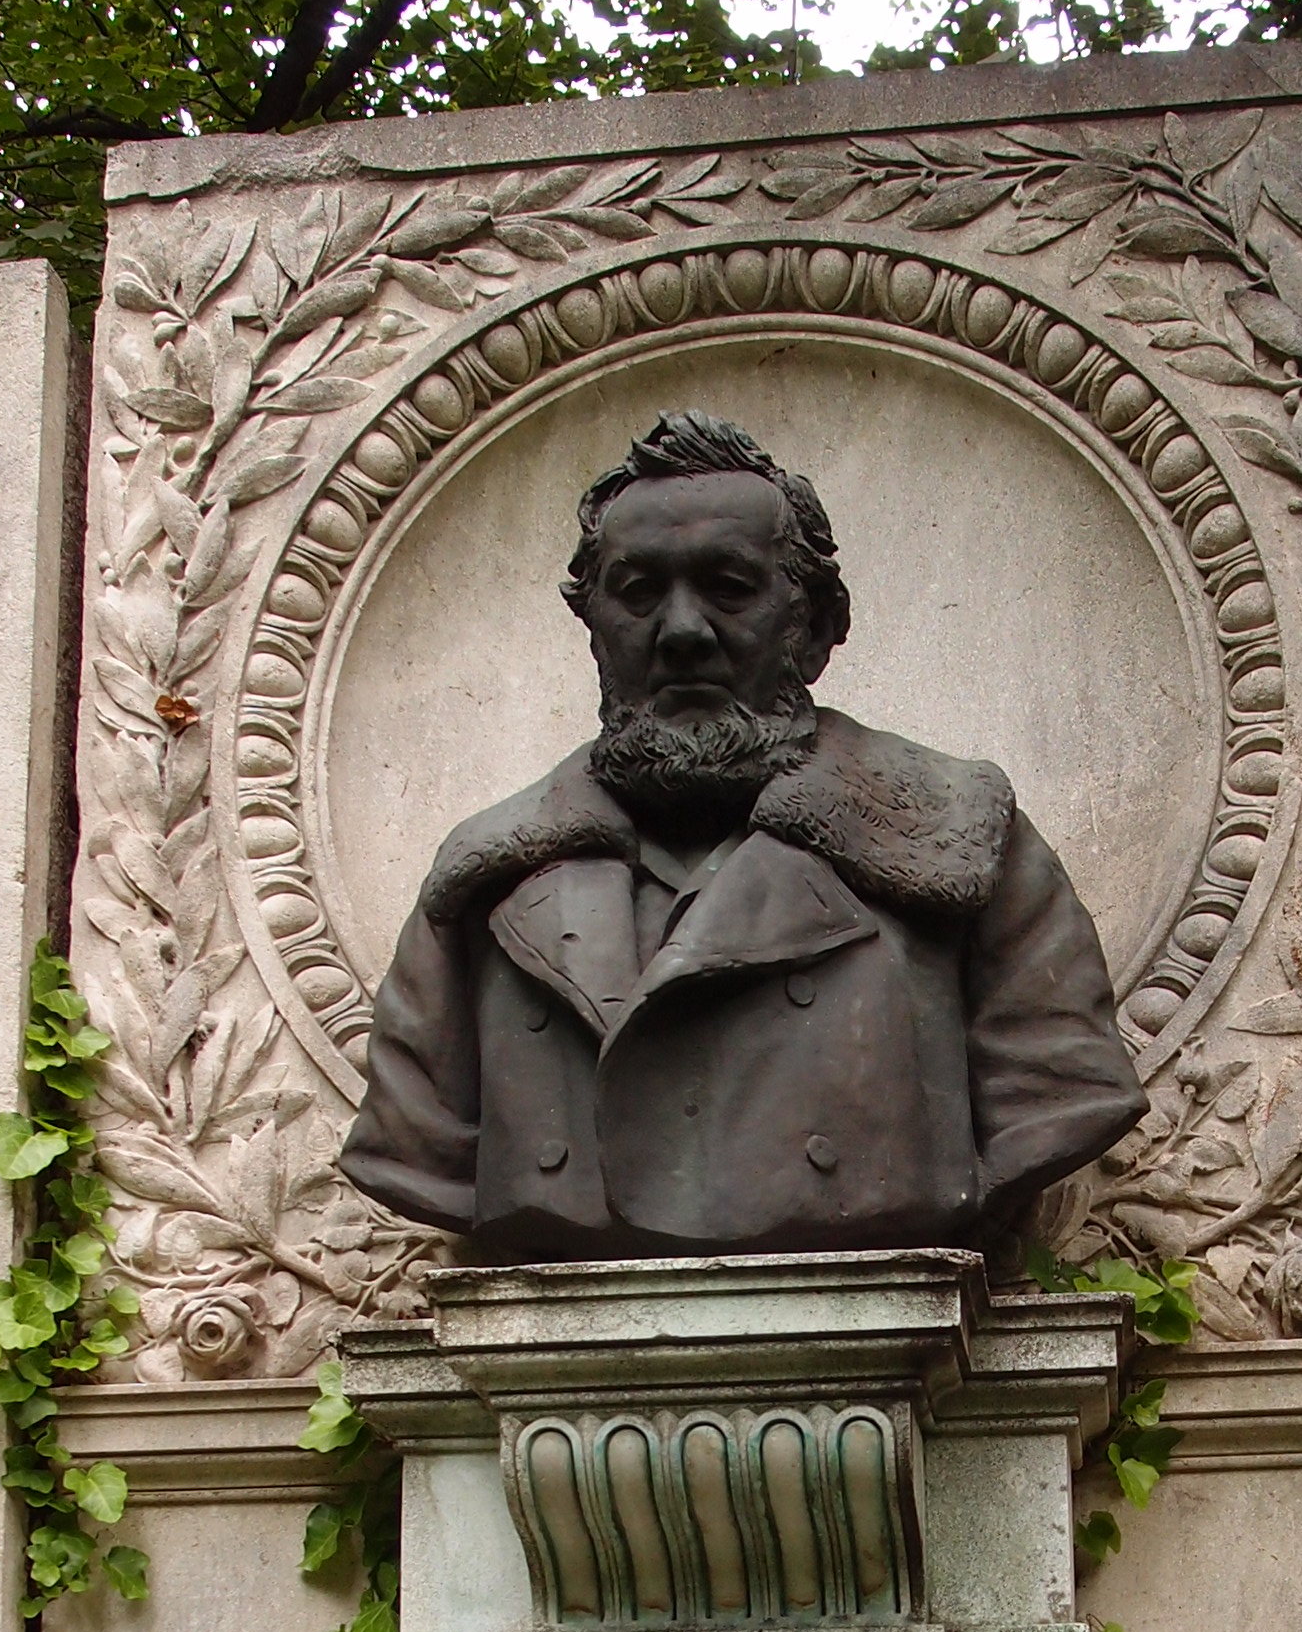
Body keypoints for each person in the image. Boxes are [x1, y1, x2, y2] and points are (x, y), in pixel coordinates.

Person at [340, 408, 1143, 1259]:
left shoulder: (959, 837)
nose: (683, 632)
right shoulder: (484, 879)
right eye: (640, 593)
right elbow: (419, 1137)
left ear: (819, 628)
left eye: (728, 587)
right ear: (595, 629)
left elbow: (1058, 1088)